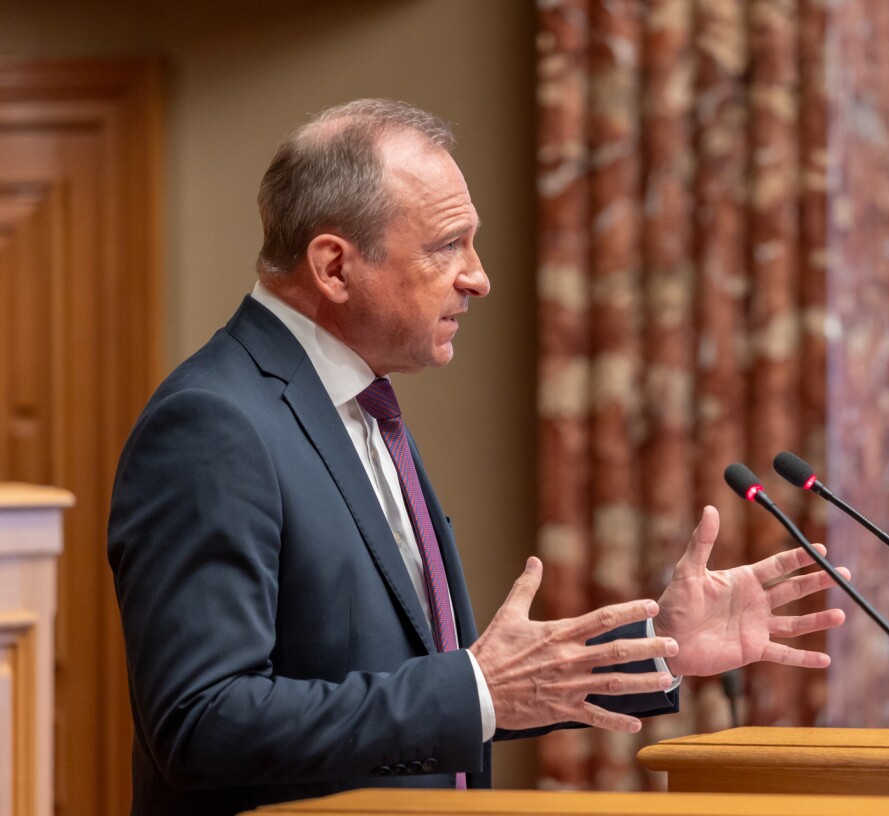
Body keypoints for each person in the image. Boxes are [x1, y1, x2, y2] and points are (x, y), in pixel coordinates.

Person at [107, 99, 848, 816]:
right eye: (446, 246)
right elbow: (202, 722)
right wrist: (476, 690)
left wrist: (658, 647)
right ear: (334, 267)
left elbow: (421, 689)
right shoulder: (215, 424)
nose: (478, 276)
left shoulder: (359, 402)